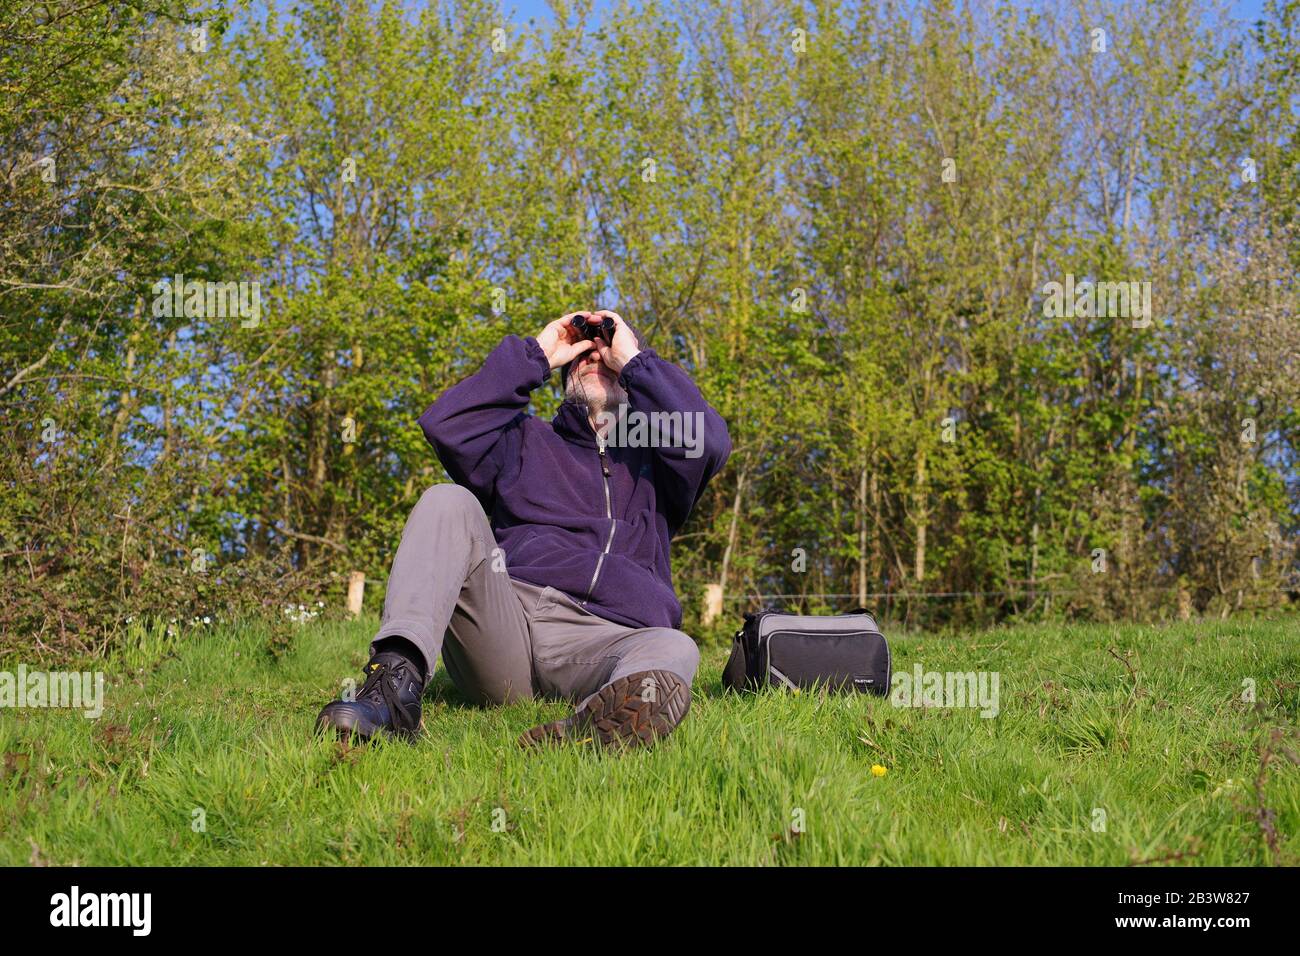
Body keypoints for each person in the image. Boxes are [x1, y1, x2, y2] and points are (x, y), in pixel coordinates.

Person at [314, 310, 731, 747]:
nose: (593, 357)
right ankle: (391, 693)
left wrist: (634, 360)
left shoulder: (659, 465)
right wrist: (537, 354)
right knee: (447, 500)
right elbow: (446, 425)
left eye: (605, 354)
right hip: (506, 627)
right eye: (582, 355)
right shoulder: (524, 440)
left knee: (676, 647)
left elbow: (711, 442)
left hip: (612, 640)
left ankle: (590, 731)